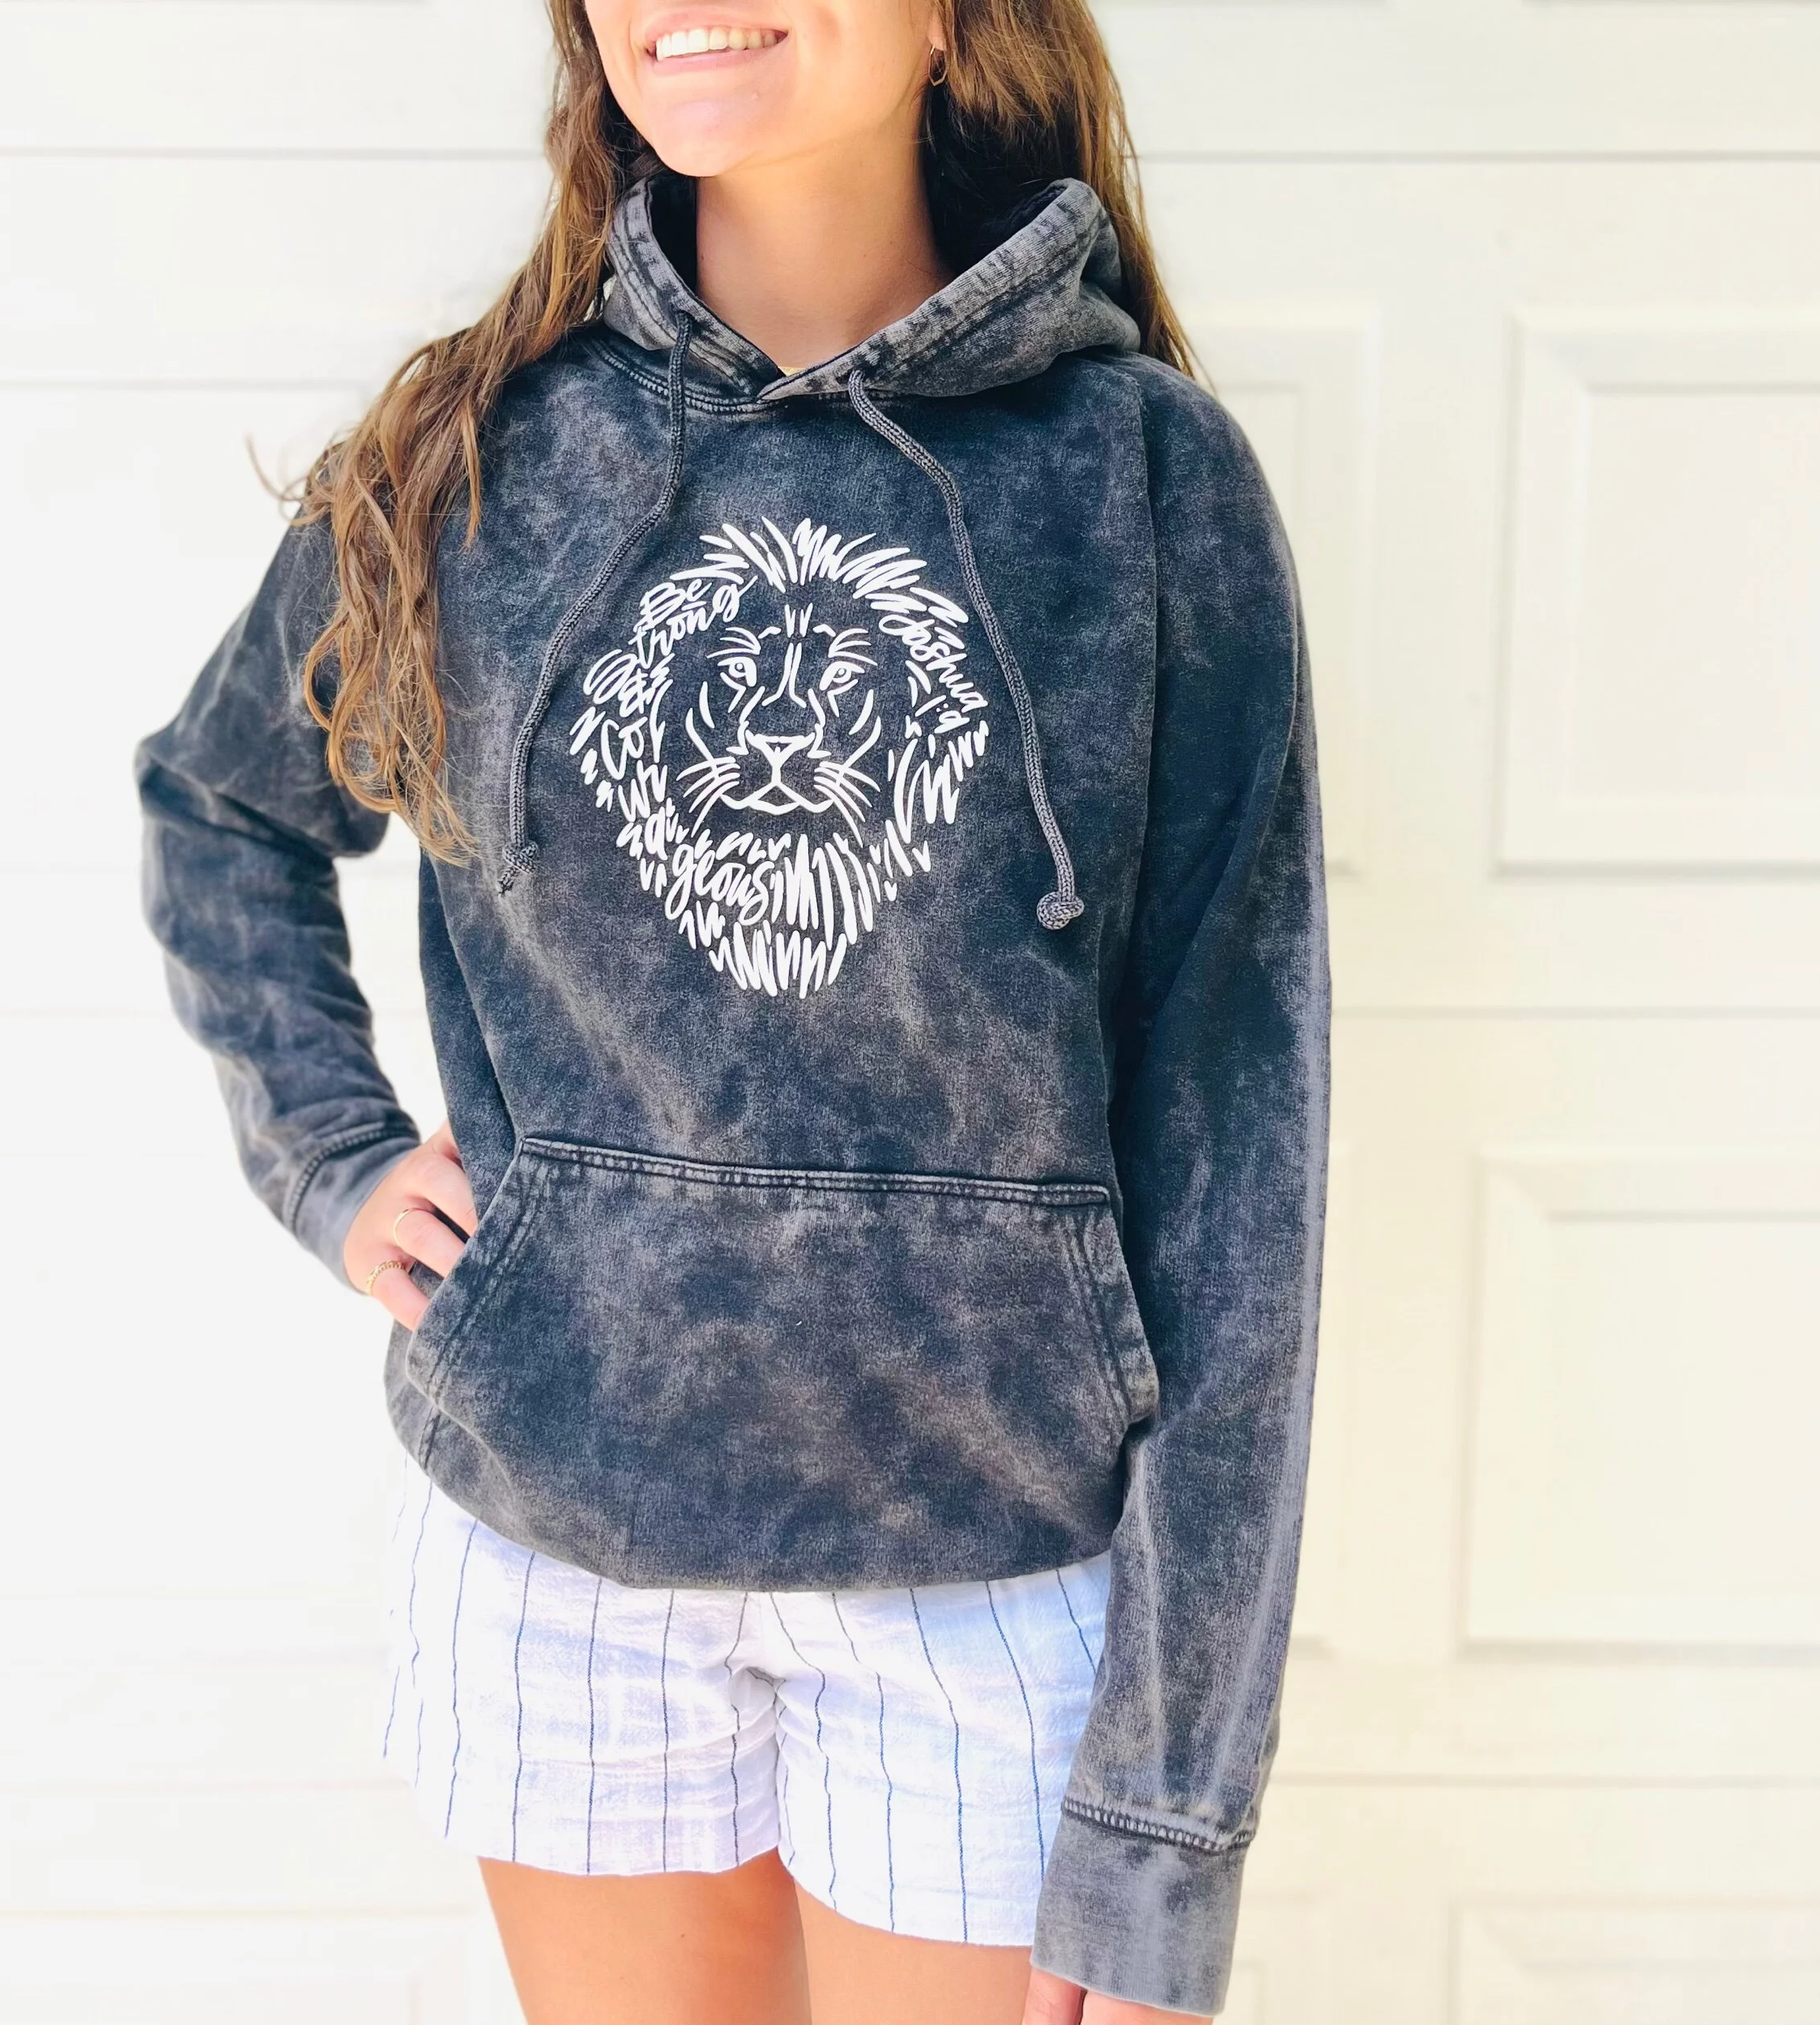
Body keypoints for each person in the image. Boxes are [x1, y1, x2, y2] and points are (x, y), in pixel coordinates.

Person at [135, 0, 1330, 2016]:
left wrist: (1164, 1814)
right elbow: (224, 798)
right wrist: (330, 1150)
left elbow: (1240, 1154)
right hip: (558, 1532)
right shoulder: (474, 448)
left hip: (988, 1565)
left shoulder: (1140, 478)